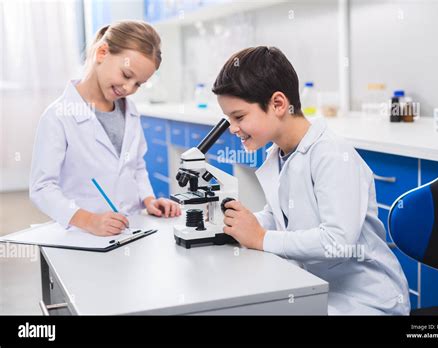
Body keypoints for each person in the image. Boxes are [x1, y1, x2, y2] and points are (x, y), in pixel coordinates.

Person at [213, 46, 410, 315]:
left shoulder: (331, 154)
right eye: (229, 118)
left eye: (239, 117)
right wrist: (239, 224)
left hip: (364, 301)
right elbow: (280, 216)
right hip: (314, 286)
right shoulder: (278, 153)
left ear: (278, 104)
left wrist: (261, 238)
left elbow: (337, 241)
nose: (233, 128)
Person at [30, 21, 180, 237]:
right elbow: (41, 188)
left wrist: (149, 200)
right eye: (127, 75)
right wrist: (89, 220)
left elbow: (136, 166)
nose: (129, 88)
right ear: (102, 52)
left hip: (131, 229)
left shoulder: (130, 111)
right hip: (83, 235)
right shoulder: (58, 116)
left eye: (139, 84)